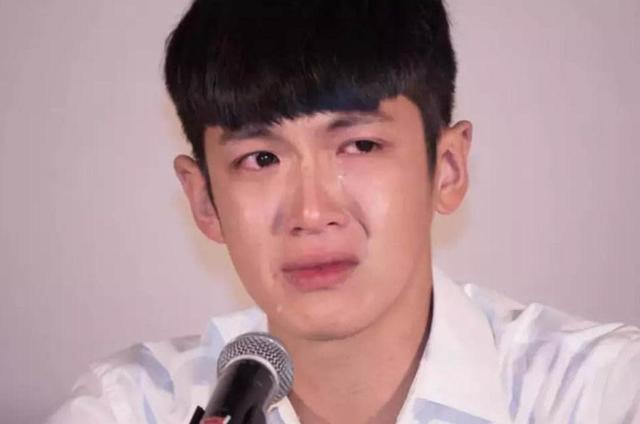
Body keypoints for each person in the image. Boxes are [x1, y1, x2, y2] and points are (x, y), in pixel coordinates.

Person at [47, 0, 640, 422]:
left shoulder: (599, 394)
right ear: (204, 200)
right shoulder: (132, 406)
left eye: (360, 146)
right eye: (260, 158)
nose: (311, 212)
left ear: (448, 168)